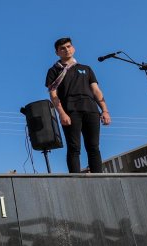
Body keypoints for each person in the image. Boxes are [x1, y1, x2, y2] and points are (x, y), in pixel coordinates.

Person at [46, 37, 111, 173]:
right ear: (57, 52)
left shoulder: (86, 69)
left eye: (69, 46)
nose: (66, 50)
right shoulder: (53, 71)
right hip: (70, 112)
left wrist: (105, 110)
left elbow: (96, 91)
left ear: (73, 48)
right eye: (62, 48)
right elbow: (53, 95)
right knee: (74, 147)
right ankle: (75, 181)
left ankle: (98, 179)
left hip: (91, 110)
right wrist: (62, 113)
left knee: (94, 147)